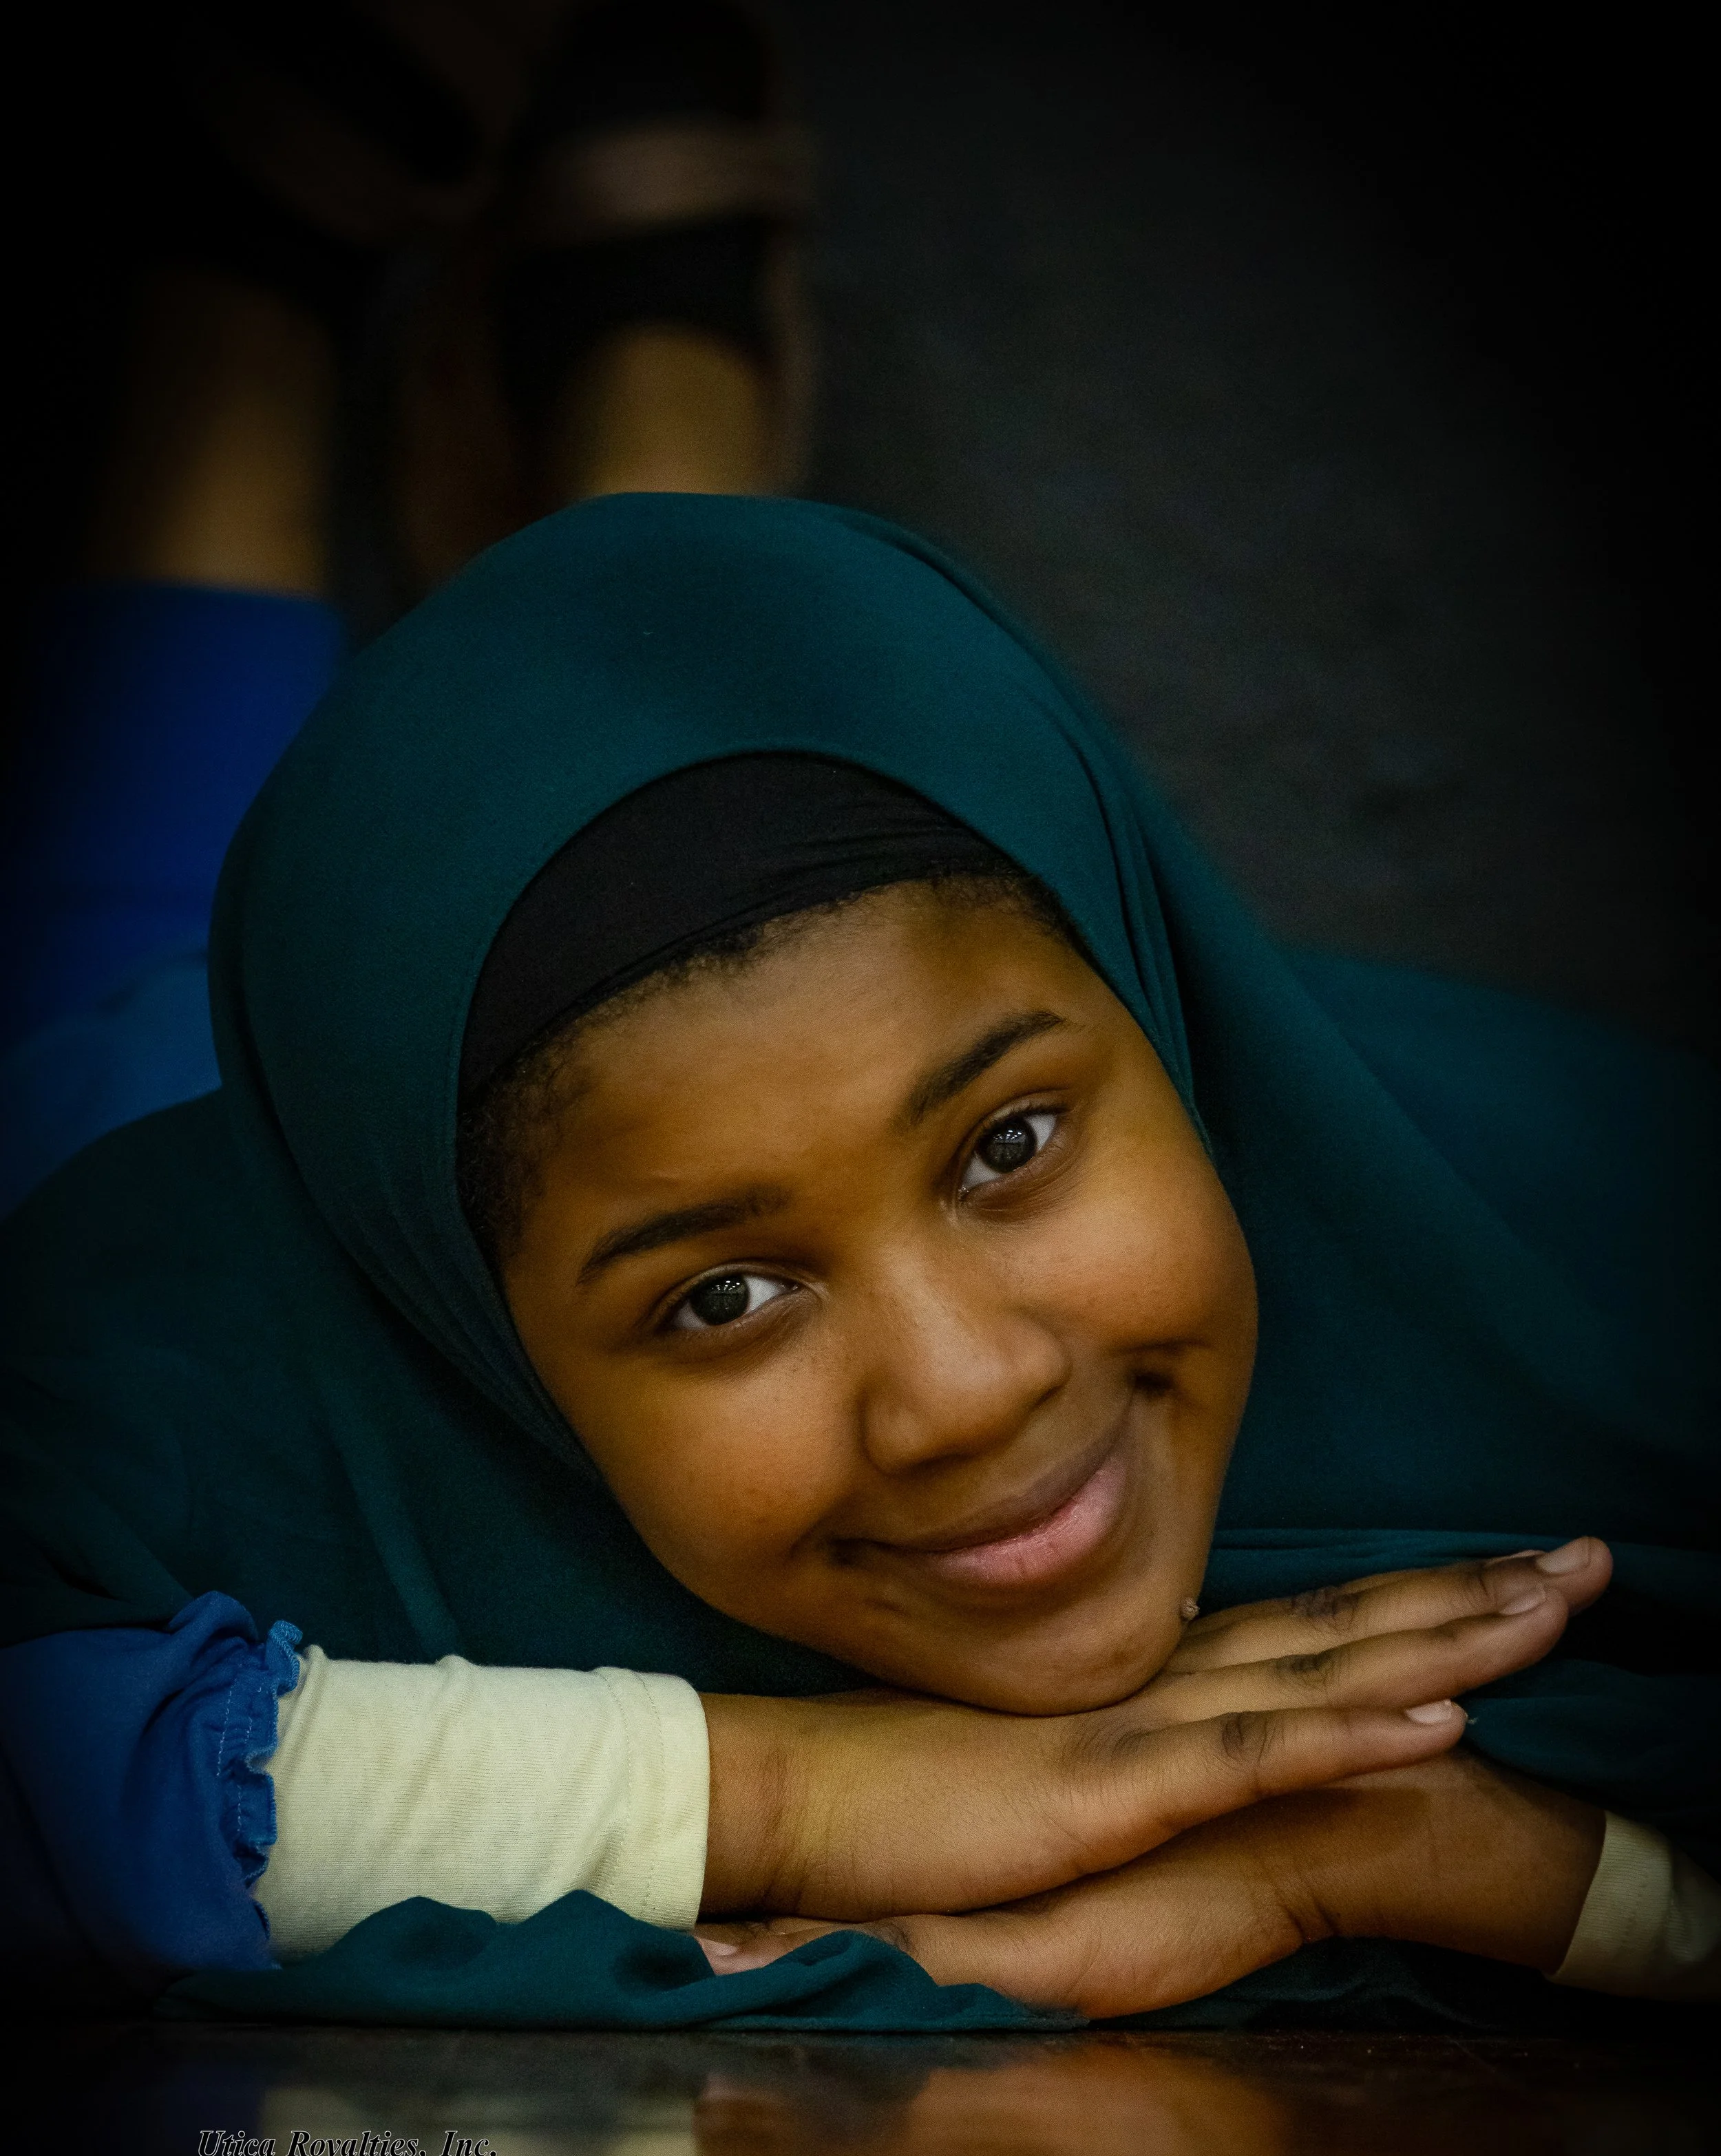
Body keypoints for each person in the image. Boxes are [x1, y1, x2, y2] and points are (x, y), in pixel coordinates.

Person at [2, 4, 1717, 2030]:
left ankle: (577, 489)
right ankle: (331, 364)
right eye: (718, 1296)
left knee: (653, 701)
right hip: (139, 1109)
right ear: (468, 1338)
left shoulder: (1629, 1252)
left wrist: (1467, 1854)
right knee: (130, 1025)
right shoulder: (150, 1397)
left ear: (1154, 988)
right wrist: (796, 1785)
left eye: (1007, 1139)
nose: (967, 1393)